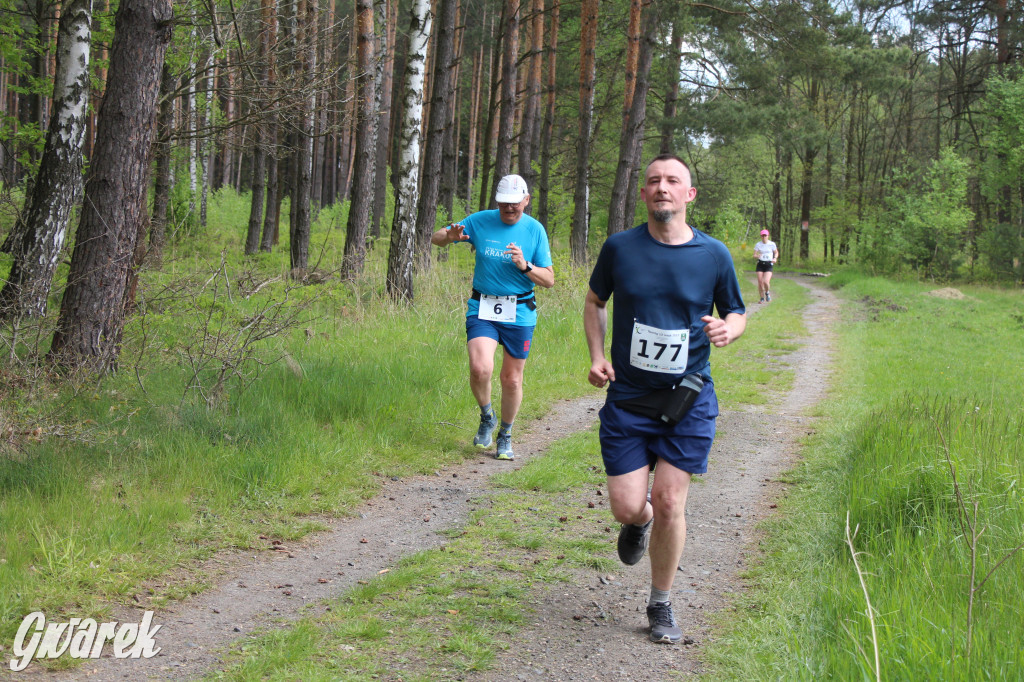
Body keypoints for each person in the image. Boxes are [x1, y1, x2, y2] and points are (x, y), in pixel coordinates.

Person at [583, 154, 746, 644]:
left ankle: (661, 604)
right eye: (653, 180)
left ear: (689, 195)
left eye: (673, 181)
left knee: (672, 499)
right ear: (643, 193)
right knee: (629, 507)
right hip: (629, 398)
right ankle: (640, 521)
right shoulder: (620, 248)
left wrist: (728, 329)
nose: (662, 188)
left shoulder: (713, 254)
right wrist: (596, 355)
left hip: (688, 400)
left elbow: (737, 310)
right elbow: (594, 302)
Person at [431, 174, 554, 461]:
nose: (509, 209)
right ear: (497, 202)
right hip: (483, 307)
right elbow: (435, 238)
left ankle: (506, 433)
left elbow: (549, 280)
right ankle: (487, 416)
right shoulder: (480, 221)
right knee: (480, 369)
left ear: (526, 200)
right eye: (504, 204)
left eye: (515, 204)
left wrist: (525, 266)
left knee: (511, 380)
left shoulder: (535, 230)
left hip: (520, 310)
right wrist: (448, 237)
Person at [753, 229, 779, 303]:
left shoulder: (772, 244)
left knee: (766, 281)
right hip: (760, 264)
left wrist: (775, 258)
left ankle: (767, 293)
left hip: (768, 264)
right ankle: (761, 298)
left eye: (765, 235)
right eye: (762, 235)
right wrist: (757, 256)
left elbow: (776, 253)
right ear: (761, 236)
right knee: (760, 282)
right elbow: (754, 255)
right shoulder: (758, 244)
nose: (764, 237)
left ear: (768, 236)